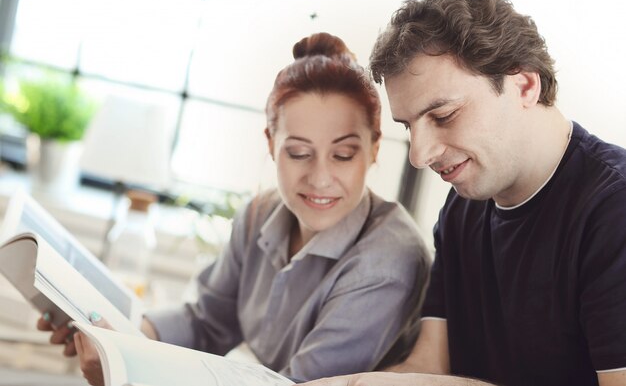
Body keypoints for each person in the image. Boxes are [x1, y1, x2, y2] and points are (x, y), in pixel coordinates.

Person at [38, 32, 431, 384]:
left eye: (344, 155)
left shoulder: (388, 261)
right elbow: (207, 322)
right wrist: (117, 335)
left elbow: (300, 385)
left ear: (374, 149)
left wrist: (130, 371)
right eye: (298, 153)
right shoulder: (258, 215)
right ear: (271, 143)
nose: (321, 177)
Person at [303, 0, 626, 386]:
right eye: (409, 126)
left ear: (524, 85)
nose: (420, 156)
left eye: (443, 116)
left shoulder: (613, 211)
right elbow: (429, 366)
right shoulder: (462, 209)